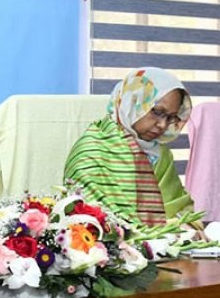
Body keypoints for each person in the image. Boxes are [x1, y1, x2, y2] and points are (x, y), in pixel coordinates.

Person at [64, 67, 196, 226]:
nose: (163, 125)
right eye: (157, 112)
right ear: (132, 102)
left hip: (162, 239)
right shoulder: (92, 149)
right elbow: (86, 216)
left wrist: (186, 227)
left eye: (170, 117)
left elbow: (179, 208)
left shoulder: (160, 154)